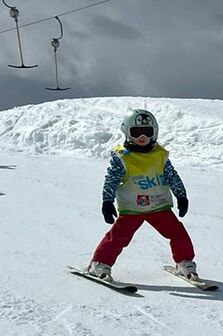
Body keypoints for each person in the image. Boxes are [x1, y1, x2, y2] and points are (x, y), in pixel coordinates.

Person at [84, 108, 199, 281]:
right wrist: (107, 201)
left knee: (178, 233)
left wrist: (181, 195)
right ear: (127, 132)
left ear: (155, 132)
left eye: (147, 132)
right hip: (132, 208)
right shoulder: (123, 157)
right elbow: (111, 180)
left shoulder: (159, 155)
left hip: (159, 206)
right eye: (136, 132)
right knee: (118, 237)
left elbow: (172, 176)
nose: (142, 137)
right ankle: (99, 264)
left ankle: (185, 263)